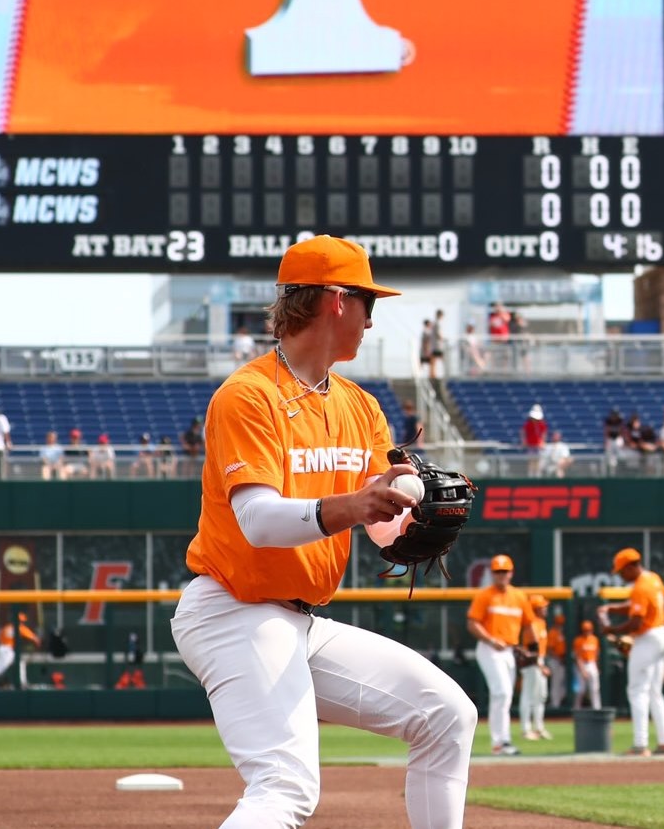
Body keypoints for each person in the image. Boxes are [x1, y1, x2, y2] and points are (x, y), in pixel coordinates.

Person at [168, 235, 476, 827]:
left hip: (297, 621)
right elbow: (258, 522)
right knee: (284, 787)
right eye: (368, 302)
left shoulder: (359, 406)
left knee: (447, 716)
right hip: (231, 610)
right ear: (336, 301)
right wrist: (357, 505)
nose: (370, 319)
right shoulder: (248, 395)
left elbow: (379, 524)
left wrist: (406, 505)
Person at [601, 547, 664, 756]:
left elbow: (635, 621)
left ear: (632, 565)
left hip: (648, 638)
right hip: (662, 635)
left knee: (637, 690)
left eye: (622, 571)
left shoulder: (641, 586)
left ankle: (640, 745)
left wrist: (611, 629)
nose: (621, 576)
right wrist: (612, 609)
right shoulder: (653, 578)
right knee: (654, 692)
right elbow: (635, 606)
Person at [463, 553, 535, 755]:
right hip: (490, 649)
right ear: (492, 573)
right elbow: (472, 623)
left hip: (510, 651)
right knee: (501, 692)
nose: (501, 575)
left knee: (507, 696)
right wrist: (491, 639)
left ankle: (503, 741)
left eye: (504, 571)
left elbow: (529, 624)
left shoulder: (519, 596)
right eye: (497, 571)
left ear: (511, 573)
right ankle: (499, 742)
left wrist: (532, 648)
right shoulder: (485, 595)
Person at [519, 594, 553, 743]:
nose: (546, 609)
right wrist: (541, 666)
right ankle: (526, 729)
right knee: (528, 696)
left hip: (539, 661)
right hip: (531, 663)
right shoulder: (530, 623)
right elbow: (530, 650)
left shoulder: (541, 623)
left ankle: (539, 727)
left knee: (541, 696)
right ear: (536, 608)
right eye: (543, 606)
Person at [572, 620, 602, 709]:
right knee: (581, 690)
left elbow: (596, 655)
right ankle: (576, 709)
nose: (587, 631)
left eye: (589, 629)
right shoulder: (578, 640)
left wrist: (597, 666)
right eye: (585, 630)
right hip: (582, 665)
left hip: (592, 664)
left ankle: (597, 709)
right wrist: (582, 670)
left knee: (595, 689)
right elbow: (578, 657)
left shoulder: (595, 639)